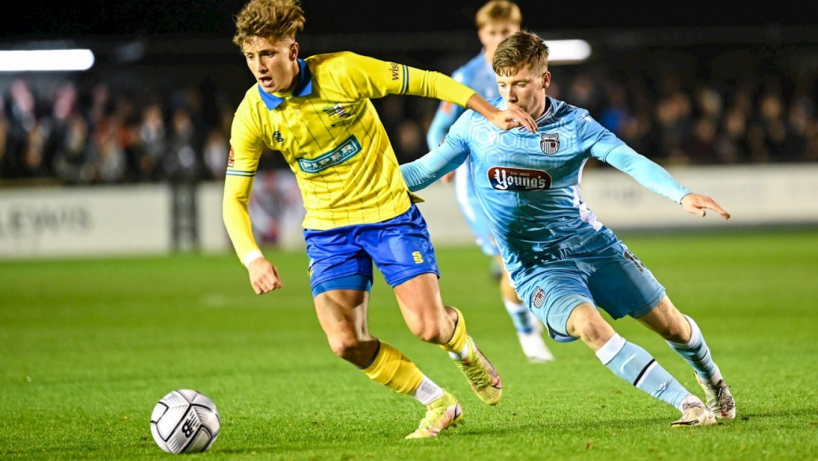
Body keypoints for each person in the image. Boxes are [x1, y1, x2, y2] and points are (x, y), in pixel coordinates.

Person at [222, 0, 538, 440]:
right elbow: (233, 198)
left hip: (389, 215)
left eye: (269, 53)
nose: (260, 66)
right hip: (328, 231)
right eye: (252, 56)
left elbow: (427, 82)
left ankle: (464, 349)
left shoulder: (344, 71)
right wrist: (252, 257)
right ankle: (437, 402)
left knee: (429, 328)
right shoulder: (252, 114)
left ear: (292, 50)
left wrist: (490, 112)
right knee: (344, 342)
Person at [401, 30, 736, 427]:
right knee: (589, 327)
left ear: (544, 80)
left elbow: (628, 160)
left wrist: (681, 195)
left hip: (592, 245)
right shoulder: (476, 125)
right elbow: (423, 170)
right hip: (536, 266)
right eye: (503, 84)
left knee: (675, 328)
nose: (509, 95)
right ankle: (687, 405)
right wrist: (362, 179)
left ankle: (712, 380)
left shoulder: (575, 125)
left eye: (520, 83)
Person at [426, 0, 554, 363]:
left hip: (525, 180)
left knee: (533, 253)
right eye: (494, 32)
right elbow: (438, 128)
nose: (500, 38)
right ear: (482, 34)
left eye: (507, 32)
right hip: (480, 186)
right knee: (512, 258)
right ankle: (528, 334)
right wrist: (444, 160)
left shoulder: (532, 71)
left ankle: (533, 305)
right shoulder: (465, 78)